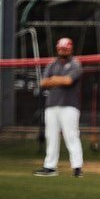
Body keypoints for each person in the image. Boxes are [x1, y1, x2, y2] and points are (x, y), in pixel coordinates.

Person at [34, 38, 83, 177]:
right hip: (52, 104)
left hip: (69, 105)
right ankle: (50, 167)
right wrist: (57, 80)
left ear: (71, 49)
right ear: (57, 48)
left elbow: (68, 80)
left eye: (66, 48)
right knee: (51, 136)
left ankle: (77, 167)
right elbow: (43, 82)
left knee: (71, 135)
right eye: (61, 48)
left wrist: (54, 80)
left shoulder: (75, 64)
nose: (63, 50)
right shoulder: (52, 64)